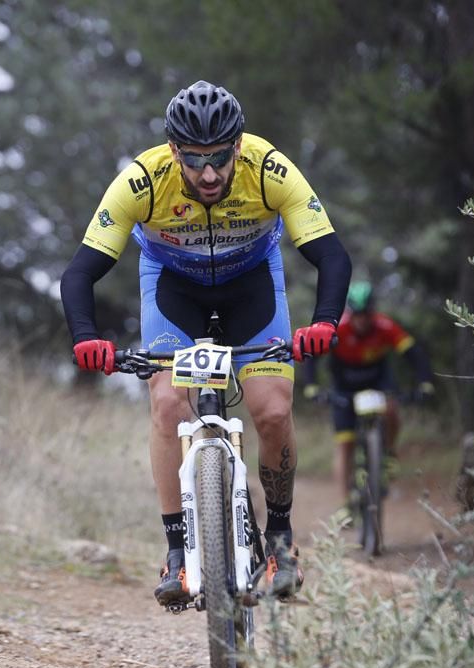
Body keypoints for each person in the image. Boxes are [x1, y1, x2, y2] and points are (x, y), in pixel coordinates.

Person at [60, 80, 352, 604]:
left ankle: (280, 538)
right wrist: (87, 337)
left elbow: (332, 255)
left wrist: (325, 323)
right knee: (168, 402)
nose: (210, 172)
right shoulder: (142, 181)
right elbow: (80, 274)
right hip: (174, 290)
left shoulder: (269, 168)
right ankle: (177, 554)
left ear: (238, 144)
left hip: (253, 289)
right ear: (174, 151)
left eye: (220, 156)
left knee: (271, 410)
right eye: (195, 160)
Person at [301, 280, 435, 510]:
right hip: (344, 385)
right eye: (358, 315)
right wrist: (311, 386)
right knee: (345, 444)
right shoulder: (338, 328)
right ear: (350, 313)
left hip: (378, 380)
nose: (362, 320)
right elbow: (312, 355)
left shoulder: (385, 326)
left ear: (373, 312)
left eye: (366, 314)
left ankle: (389, 454)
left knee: (392, 407)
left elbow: (414, 353)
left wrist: (425, 382)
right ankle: (345, 504)